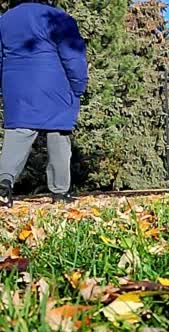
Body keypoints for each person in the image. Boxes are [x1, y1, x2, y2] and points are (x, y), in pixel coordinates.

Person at [0, 0, 87, 207]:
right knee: (58, 134)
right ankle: (60, 192)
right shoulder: (58, 18)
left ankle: (4, 183)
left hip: (16, 85)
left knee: (18, 133)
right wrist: (78, 87)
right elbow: (73, 57)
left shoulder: (4, 20)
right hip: (54, 84)